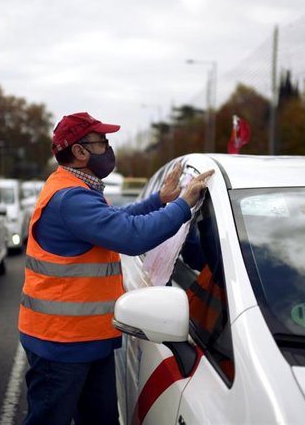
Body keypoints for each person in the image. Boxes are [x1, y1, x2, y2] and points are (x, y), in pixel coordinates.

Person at [18, 111, 213, 425]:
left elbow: (117, 219)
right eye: (102, 142)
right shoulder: (70, 199)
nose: (108, 148)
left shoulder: (77, 189)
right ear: (80, 152)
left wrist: (159, 200)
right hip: (61, 344)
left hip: (83, 339)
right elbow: (133, 236)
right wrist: (182, 204)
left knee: (101, 418)